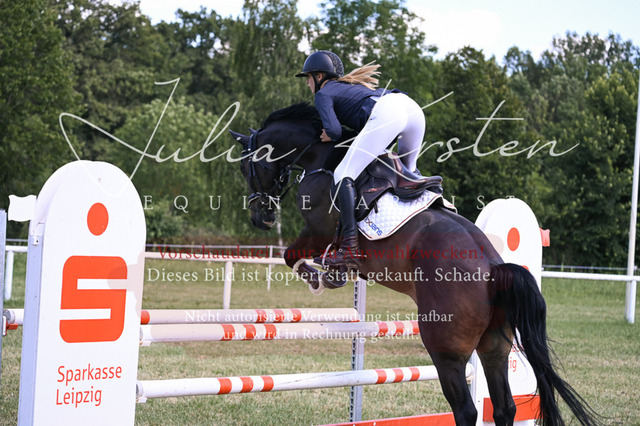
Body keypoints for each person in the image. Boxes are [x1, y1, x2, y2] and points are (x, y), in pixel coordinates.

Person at [296, 50, 427, 270]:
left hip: (388, 112)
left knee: (342, 174)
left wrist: (328, 135)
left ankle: (349, 248)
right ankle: (437, 208)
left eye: (308, 77)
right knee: (409, 174)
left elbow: (335, 131)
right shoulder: (349, 87)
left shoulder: (323, 93)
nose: (307, 83)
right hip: (411, 108)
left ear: (319, 76)